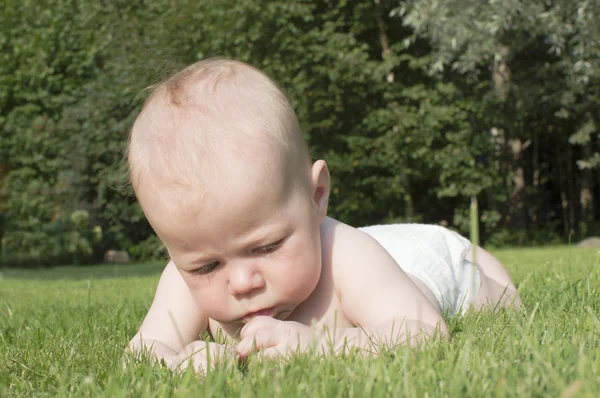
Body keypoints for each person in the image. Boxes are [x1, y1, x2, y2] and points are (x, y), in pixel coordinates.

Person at [126, 58, 520, 373]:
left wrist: (322, 344)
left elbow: (426, 333)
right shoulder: (182, 277)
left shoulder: (347, 256)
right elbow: (142, 351)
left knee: (490, 294)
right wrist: (178, 363)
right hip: (372, 252)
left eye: (266, 246)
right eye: (207, 266)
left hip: (420, 258)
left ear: (317, 197)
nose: (242, 282)